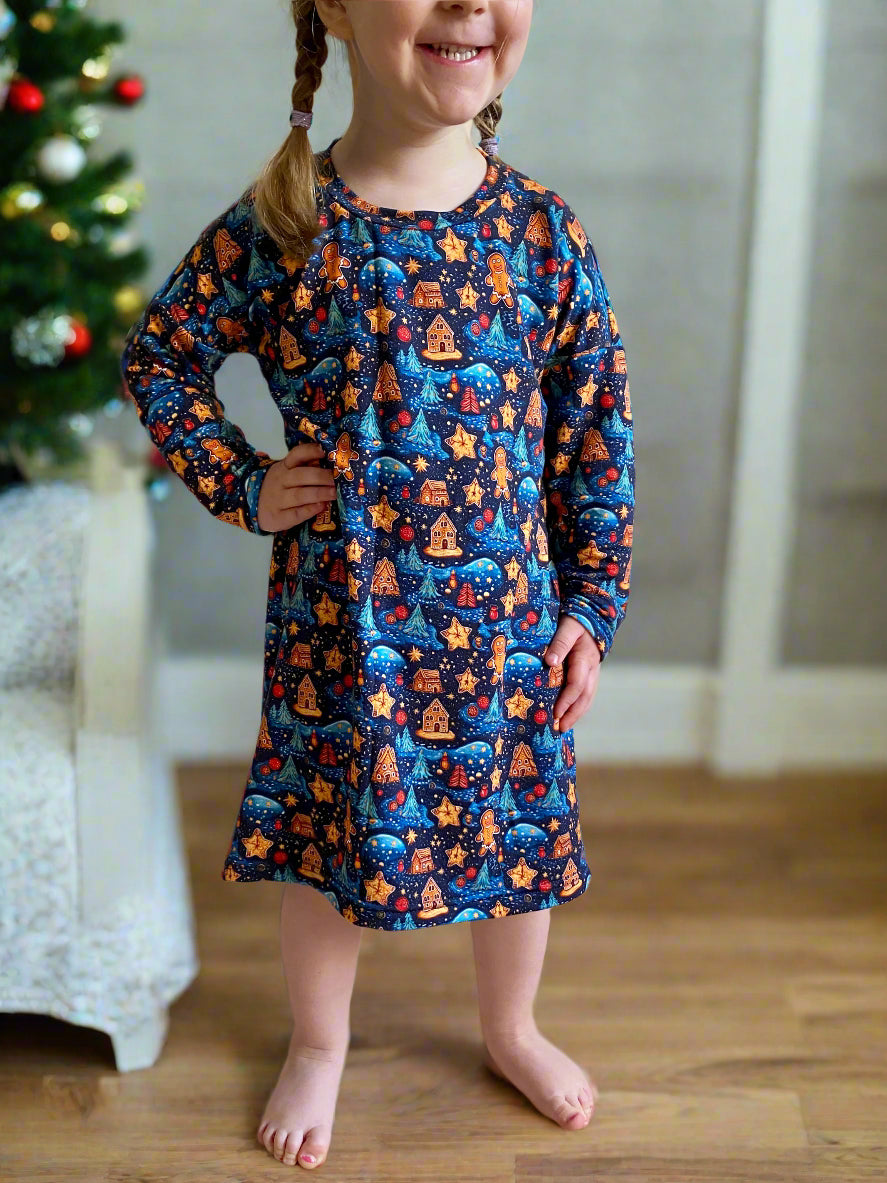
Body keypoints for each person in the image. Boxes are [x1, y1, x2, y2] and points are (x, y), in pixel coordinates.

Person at [120, 0, 635, 1170]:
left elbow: (592, 438)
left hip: (507, 630)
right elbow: (162, 360)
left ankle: (510, 1025)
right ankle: (318, 1040)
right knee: (324, 844)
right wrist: (243, 484)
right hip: (343, 633)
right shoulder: (288, 227)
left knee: (519, 843)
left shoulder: (542, 234)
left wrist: (588, 608)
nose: (467, 4)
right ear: (337, 10)